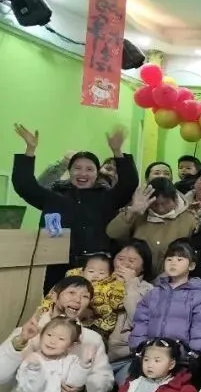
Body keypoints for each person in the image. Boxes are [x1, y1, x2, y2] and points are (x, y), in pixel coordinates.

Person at [12, 124, 139, 292]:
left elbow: (129, 184)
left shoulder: (107, 197)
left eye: (89, 169)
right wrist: (30, 149)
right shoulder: (54, 197)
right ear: (69, 171)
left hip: (98, 270)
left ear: (97, 173)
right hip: (57, 270)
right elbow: (24, 185)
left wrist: (117, 151)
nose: (83, 174)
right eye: (77, 168)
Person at [129, 240, 201, 360]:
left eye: (180, 259)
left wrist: (193, 353)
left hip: (182, 358)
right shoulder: (154, 293)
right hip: (151, 355)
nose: (173, 263)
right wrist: (139, 347)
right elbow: (141, 322)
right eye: (169, 259)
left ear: (191, 266)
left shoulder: (200, 296)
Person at [107, 179, 199, 277]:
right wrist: (132, 211)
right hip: (137, 276)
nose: (160, 209)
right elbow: (113, 233)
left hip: (172, 278)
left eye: (166, 203)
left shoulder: (189, 219)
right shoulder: (139, 214)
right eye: (155, 204)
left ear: (175, 199)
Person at [37, 253, 125, 340]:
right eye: (91, 271)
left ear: (110, 275)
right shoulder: (71, 281)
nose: (96, 275)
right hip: (66, 320)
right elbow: (50, 299)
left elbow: (118, 303)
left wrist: (119, 285)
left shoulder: (112, 287)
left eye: (101, 273)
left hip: (100, 325)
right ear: (83, 272)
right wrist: (43, 311)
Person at [107, 242, 155, 386]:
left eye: (131, 261)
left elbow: (137, 318)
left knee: (129, 390)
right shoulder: (101, 282)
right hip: (95, 356)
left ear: (143, 267)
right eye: (120, 259)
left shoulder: (149, 290)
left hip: (127, 357)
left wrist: (130, 284)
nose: (124, 264)